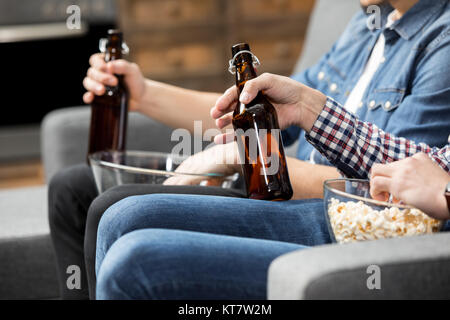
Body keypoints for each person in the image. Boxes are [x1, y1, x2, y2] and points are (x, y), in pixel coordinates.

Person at [49, 0, 450, 299]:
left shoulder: (439, 41)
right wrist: (144, 94)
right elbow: (270, 110)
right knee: (79, 193)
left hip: (314, 202)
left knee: (119, 217)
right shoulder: (368, 24)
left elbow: (380, 191)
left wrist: (237, 159)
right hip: (282, 179)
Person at [95, 72, 450, 299]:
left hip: (392, 236)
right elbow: (414, 165)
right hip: (342, 212)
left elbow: (390, 189)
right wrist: (308, 107)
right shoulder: (365, 27)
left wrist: (445, 193)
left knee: (136, 261)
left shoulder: (438, 43)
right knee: (119, 215)